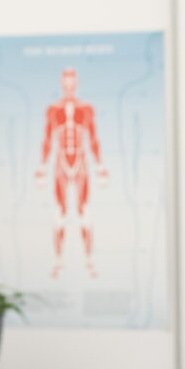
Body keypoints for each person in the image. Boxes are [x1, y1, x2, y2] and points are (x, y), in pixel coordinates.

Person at [34, 67, 109, 279]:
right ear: (61, 82)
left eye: (72, 81)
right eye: (65, 81)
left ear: (76, 83)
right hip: (60, 163)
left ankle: (88, 260)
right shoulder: (52, 110)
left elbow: (93, 139)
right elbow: (47, 140)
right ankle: (58, 261)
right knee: (60, 212)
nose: (68, 85)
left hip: (81, 162)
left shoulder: (86, 109)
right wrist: (41, 167)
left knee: (84, 211)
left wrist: (100, 166)